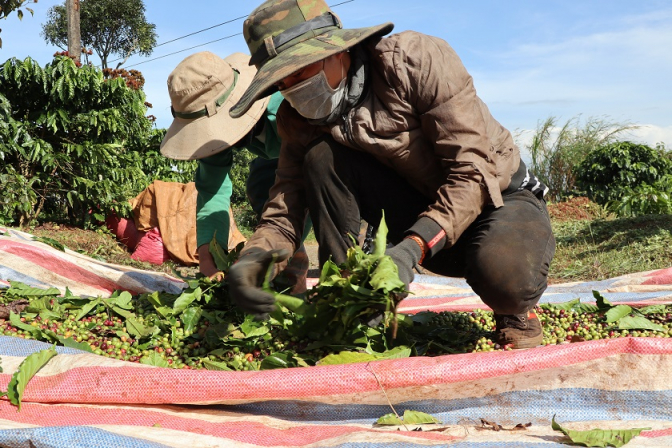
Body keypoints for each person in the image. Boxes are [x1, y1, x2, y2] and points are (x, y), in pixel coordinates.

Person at [226, 0, 556, 349]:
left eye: (300, 71)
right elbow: (285, 207)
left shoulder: (413, 62)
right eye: (282, 81)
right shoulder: (298, 120)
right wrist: (255, 255)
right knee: (319, 158)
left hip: (496, 201)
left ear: (336, 51)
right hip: (415, 209)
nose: (292, 88)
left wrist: (412, 248)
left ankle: (516, 313)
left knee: (505, 279)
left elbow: (471, 172)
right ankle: (351, 302)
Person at [160, 51, 310, 288]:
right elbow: (212, 190)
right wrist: (209, 256)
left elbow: (299, 193)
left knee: (312, 206)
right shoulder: (213, 135)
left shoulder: (288, 109)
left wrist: (270, 247)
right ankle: (286, 265)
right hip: (275, 157)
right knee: (260, 184)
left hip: (319, 156)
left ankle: (291, 265)